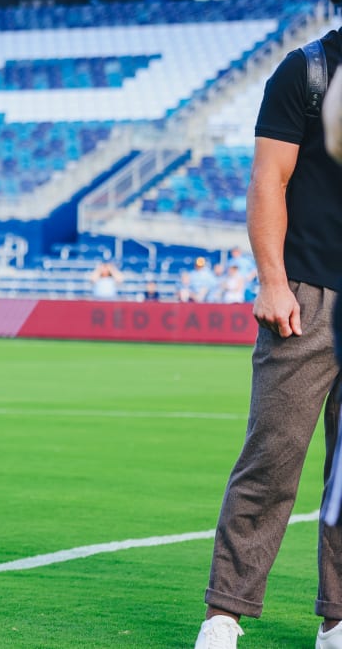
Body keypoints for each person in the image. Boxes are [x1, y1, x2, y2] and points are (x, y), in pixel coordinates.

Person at [194, 33, 342, 649]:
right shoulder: (307, 71)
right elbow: (268, 180)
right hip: (306, 295)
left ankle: (338, 619)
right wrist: (272, 282)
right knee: (272, 459)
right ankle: (224, 614)